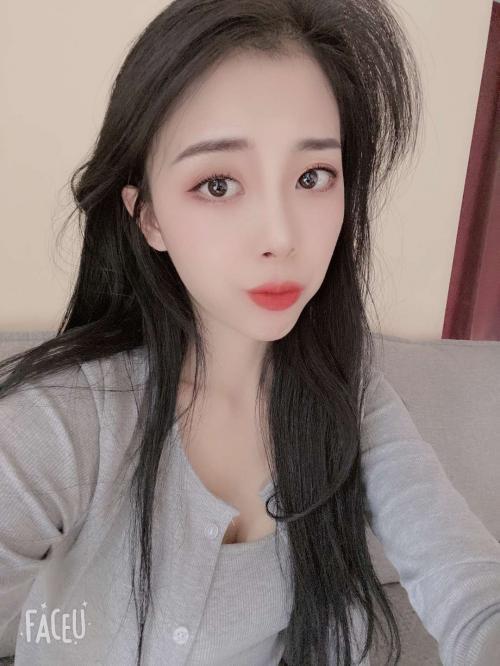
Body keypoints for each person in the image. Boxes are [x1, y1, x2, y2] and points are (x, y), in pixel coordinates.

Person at [1, 1, 499, 664]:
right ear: (148, 217)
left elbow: (469, 589)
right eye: (218, 184)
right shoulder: (65, 420)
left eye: (313, 177)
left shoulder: (350, 396)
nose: (282, 236)